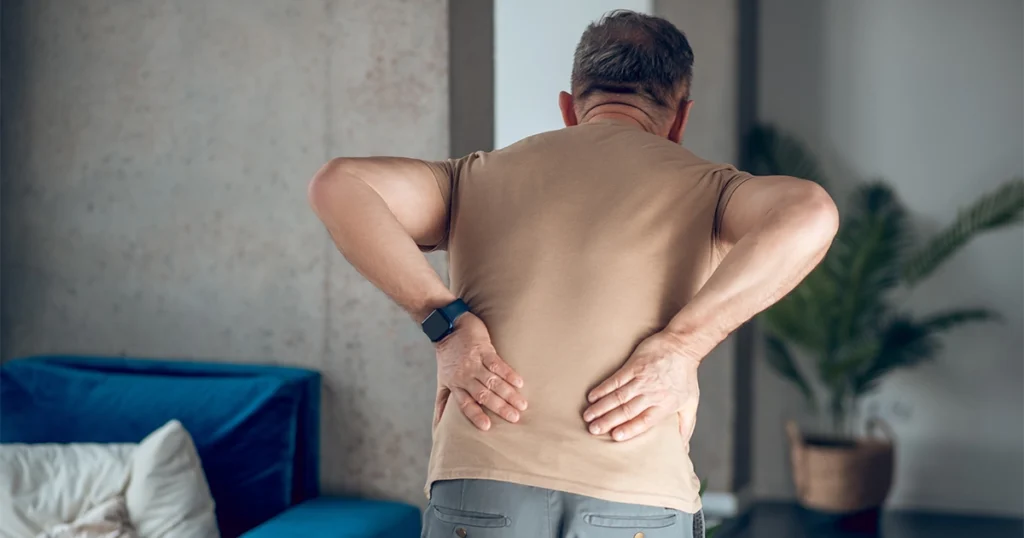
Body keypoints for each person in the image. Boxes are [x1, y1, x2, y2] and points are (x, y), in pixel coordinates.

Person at [308, 10, 838, 538]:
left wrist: (445, 325)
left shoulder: (473, 176)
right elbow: (811, 211)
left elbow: (339, 185)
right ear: (681, 117)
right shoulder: (711, 189)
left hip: (480, 481)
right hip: (636, 491)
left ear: (568, 108)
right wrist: (682, 348)